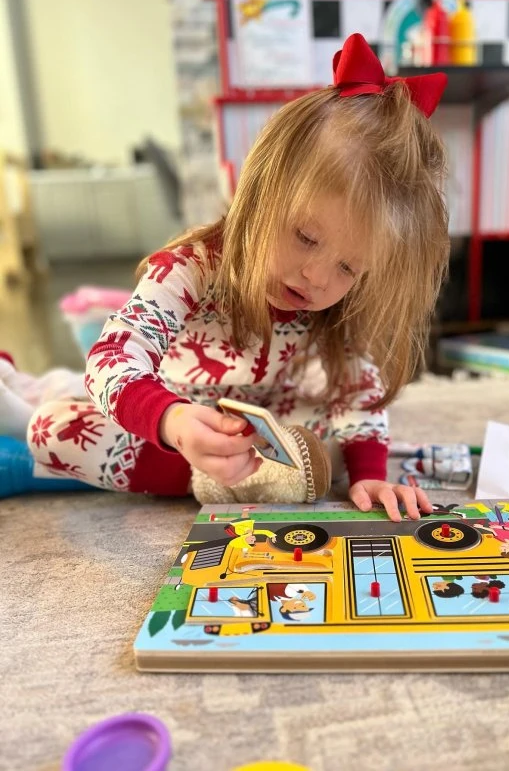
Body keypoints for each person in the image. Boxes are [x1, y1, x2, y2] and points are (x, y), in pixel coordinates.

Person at [5, 34, 450, 522]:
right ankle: (23, 409)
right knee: (54, 428)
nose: (316, 276)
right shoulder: (190, 268)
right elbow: (112, 359)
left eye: (348, 268)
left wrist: (369, 475)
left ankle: (237, 473)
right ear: (258, 194)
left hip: (262, 424)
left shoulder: (337, 300)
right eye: (305, 236)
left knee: (337, 447)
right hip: (178, 413)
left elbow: (357, 394)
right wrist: (172, 420)